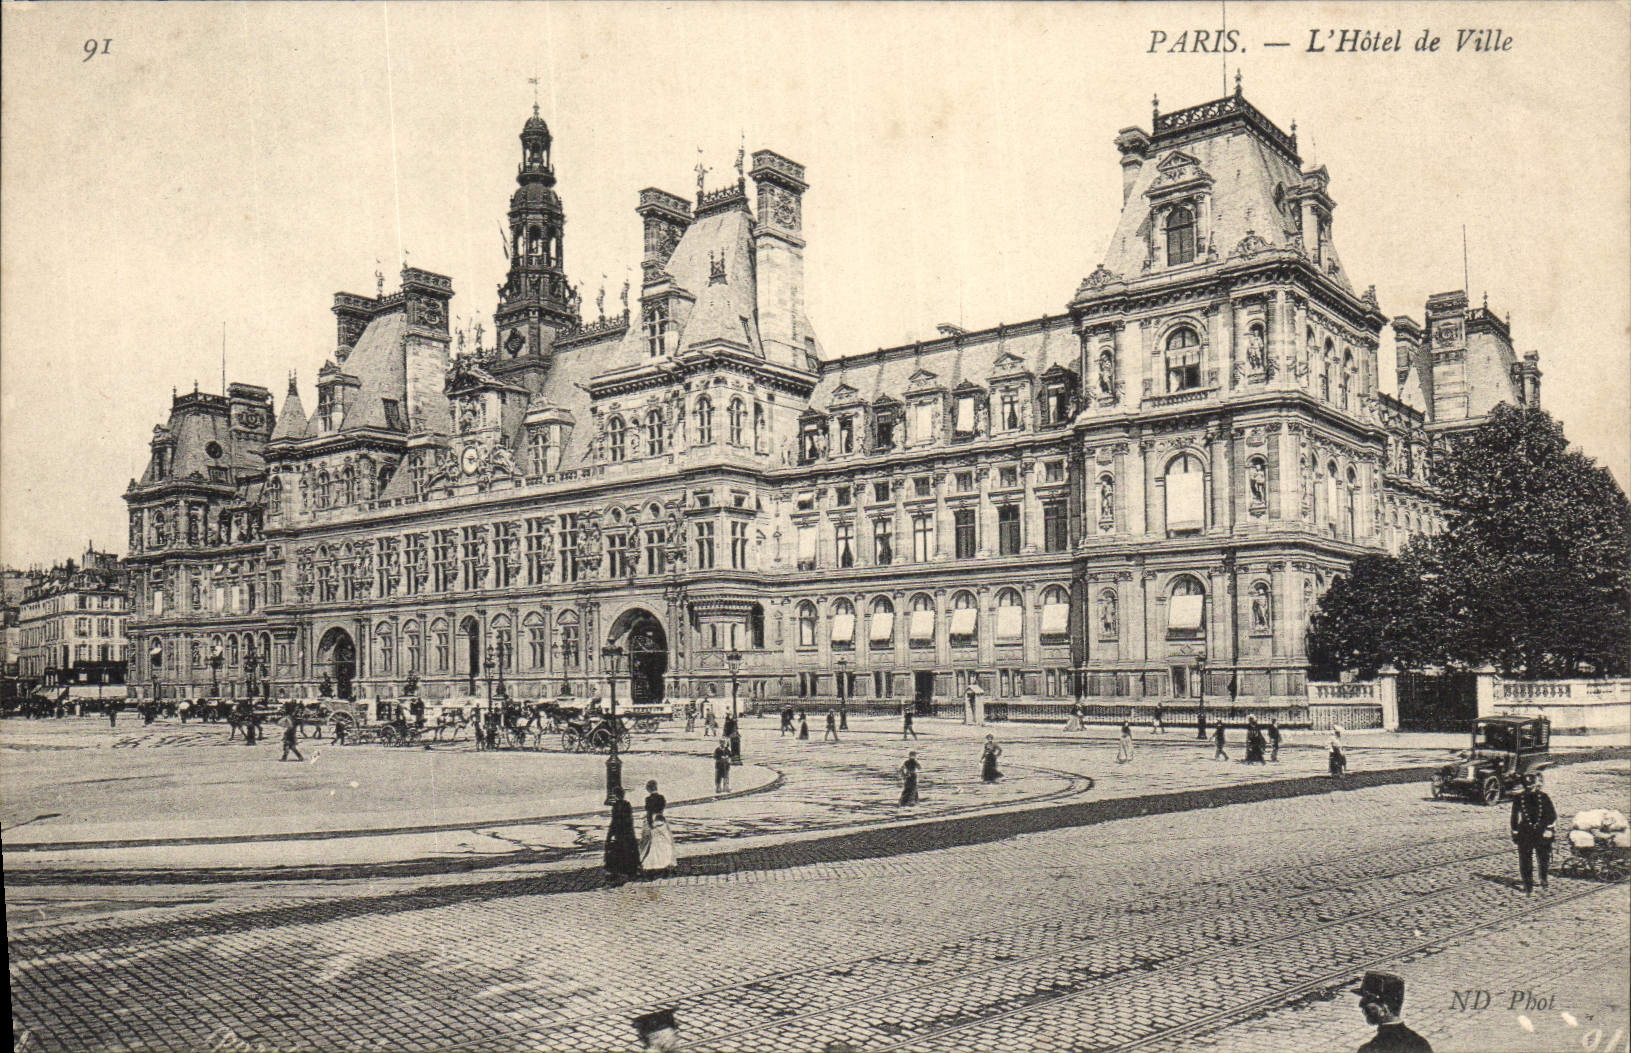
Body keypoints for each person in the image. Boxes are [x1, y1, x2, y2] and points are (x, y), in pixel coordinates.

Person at [1354, 970, 1433, 1052]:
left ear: (1384, 1008)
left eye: (1367, 1008)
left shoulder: (1368, 1050)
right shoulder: (1421, 1043)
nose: (1361, 1007)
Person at [1510, 772, 1557, 895]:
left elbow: (1552, 815)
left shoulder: (1544, 797)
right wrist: (1515, 831)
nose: (1529, 788)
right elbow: (1514, 816)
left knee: (1543, 859)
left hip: (1542, 832)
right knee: (1525, 861)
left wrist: (1549, 829)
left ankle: (1543, 879)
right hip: (1525, 832)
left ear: (1535, 785)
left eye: (1531, 786)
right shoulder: (1519, 798)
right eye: (1527, 786)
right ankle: (1528, 884)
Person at [603, 787, 642, 884]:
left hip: (619, 832)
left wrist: (609, 835)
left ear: (616, 795)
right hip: (628, 831)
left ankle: (619, 870)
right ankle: (632, 870)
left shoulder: (615, 806)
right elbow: (630, 819)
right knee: (630, 850)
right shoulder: (627, 804)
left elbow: (614, 821)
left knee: (618, 850)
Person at [639, 780, 676, 876]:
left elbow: (649, 813)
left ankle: (653, 863)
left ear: (648, 789)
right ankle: (666, 861)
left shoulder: (648, 799)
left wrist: (650, 824)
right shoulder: (661, 797)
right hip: (661, 820)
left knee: (653, 843)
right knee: (665, 842)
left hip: (653, 821)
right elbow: (661, 809)